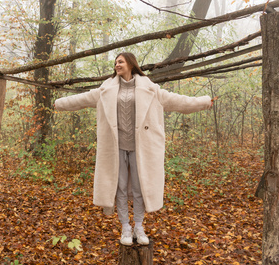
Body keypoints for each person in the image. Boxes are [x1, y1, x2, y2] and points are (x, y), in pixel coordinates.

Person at [54, 52, 214, 245]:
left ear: (131, 64)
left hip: (142, 150)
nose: (116, 65)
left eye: (120, 61)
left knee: (140, 188)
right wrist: (58, 104)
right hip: (116, 149)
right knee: (119, 188)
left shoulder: (151, 89)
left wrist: (204, 102)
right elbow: (80, 100)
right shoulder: (106, 89)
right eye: (115, 62)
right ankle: (125, 229)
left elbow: (179, 101)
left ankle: (139, 226)